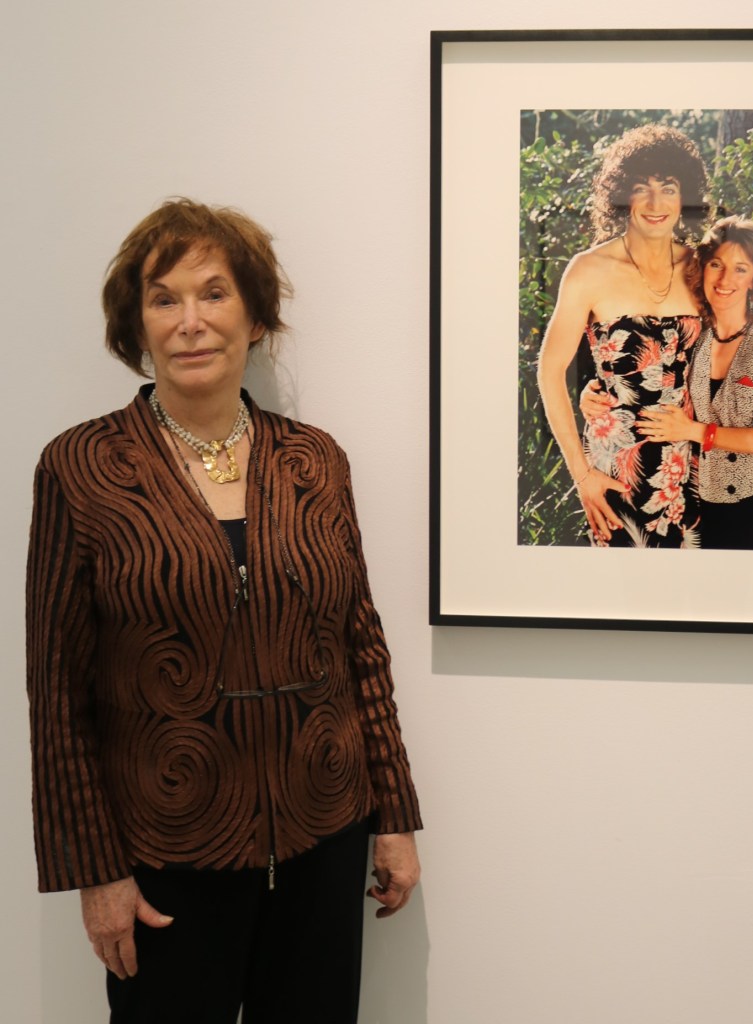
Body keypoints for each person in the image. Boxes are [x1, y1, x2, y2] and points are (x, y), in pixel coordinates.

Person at [25, 199, 422, 1023]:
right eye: (163, 299)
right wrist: (94, 872)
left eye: (213, 293)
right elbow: (58, 692)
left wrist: (393, 818)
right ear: (137, 324)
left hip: (323, 838)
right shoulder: (82, 467)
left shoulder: (315, 460)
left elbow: (361, 649)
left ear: (255, 316)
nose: (190, 322)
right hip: (166, 861)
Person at [536, 123, 709, 547]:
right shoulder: (588, 270)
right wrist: (582, 475)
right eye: (640, 188)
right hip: (616, 470)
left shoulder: (701, 268)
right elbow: (550, 371)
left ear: (684, 195)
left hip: (692, 465)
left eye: (668, 188)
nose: (655, 203)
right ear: (621, 194)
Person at [632, 215, 753, 549]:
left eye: (741, 269)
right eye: (716, 264)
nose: (726, 279)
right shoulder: (696, 341)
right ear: (702, 270)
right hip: (706, 507)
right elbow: (642, 378)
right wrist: (591, 394)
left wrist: (693, 431)